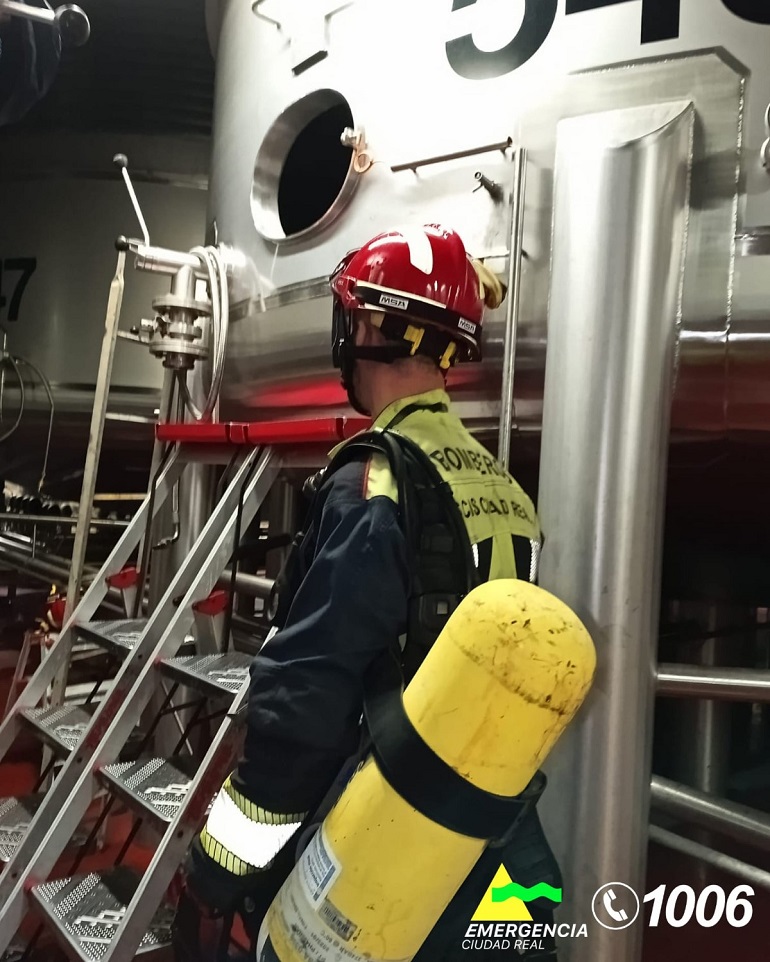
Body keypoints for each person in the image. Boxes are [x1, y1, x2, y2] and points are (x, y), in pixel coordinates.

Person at [172, 224, 560, 961]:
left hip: (385, 845)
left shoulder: (371, 482)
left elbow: (305, 712)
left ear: (375, 327)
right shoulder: (500, 485)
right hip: (500, 842)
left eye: (351, 318)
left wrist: (214, 877)